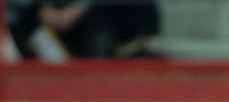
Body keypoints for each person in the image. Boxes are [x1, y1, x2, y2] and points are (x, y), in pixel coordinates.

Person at [7, 0, 159, 59]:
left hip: (94, 21)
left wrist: (77, 10)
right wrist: (42, 8)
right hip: (48, 20)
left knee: (99, 31)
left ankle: (98, 86)